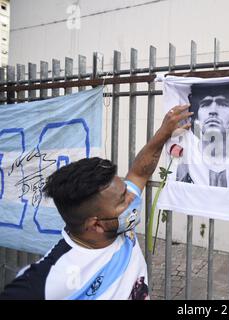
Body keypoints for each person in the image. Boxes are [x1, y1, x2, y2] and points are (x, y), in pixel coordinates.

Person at [0, 104, 192, 300]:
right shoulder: (53, 278)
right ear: (96, 224)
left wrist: (163, 133)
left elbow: (139, 173)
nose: (132, 197)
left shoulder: (115, 218)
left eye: (125, 190)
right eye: (122, 199)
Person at [176, 82, 229, 189]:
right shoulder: (184, 158)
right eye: (205, 104)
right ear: (196, 116)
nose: (213, 111)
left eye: (223, 104)